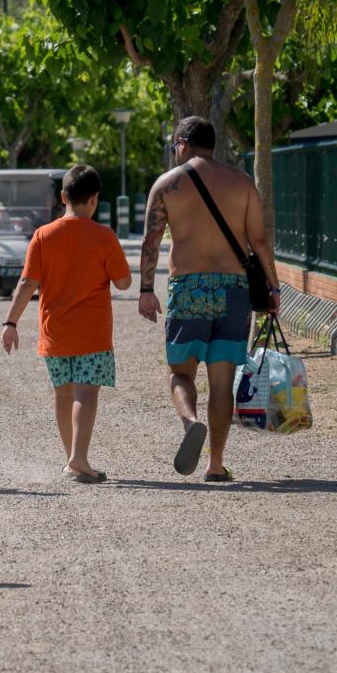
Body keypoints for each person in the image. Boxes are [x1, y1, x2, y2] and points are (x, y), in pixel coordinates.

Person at [137, 116, 281, 482]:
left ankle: (191, 422)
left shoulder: (167, 185)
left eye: (175, 147)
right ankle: (215, 464)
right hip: (235, 289)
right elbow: (260, 242)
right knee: (222, 380)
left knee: (180, 373)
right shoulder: (243, 183)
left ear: (183, 143)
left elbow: (151, 241)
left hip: (188, 287)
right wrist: (274, 289)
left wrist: (146, 290)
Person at [0, 164, 132, 483]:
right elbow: (125, 282)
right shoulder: (104, 236)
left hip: (54, 333)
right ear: (95, 199)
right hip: (93, 334)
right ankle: (79, 458)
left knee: (63, 394)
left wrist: (10, 322)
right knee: (85, 394)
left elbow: (26, 284)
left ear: (63, 197)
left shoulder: (43, 236)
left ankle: (71, 457)